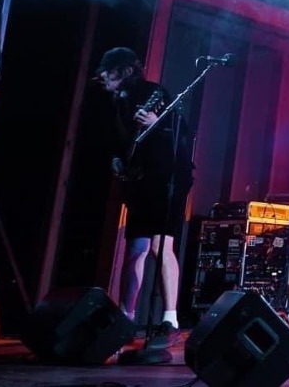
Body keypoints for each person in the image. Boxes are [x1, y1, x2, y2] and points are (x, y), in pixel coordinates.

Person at [93, 47, 195, 352]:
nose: (101, 76)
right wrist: (116, 159)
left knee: (160, 245)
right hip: (140, 180)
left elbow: (183, 133)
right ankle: (126, 316)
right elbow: (120, 142)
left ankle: (170, 319)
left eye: (107, 70)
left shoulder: (153, 92)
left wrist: (157, 123)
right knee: (135, 247)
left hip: (168, 180)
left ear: (124, 71)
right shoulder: (116, 103)